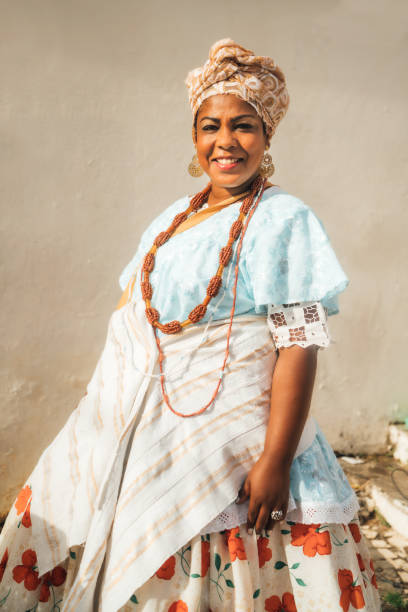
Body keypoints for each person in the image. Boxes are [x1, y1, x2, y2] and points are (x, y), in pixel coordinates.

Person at [0, 39, 380, 612]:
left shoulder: (286, 220)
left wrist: (275, 461)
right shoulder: (172, 218)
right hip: (133, 431)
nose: (225, 142)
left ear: (267, 136)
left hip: (230, 438)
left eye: (244, 126)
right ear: (195, 136)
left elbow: (298, 346)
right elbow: (133, 322)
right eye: (210, 126)